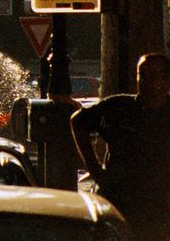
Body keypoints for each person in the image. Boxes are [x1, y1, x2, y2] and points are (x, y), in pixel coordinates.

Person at [71, 52, 170, 239]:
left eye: (159, 75)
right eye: (144, 75)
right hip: (119, 198)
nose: (152, 82)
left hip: (158, 204)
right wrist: (94, 169)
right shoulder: (118, 107)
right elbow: (78, 121)